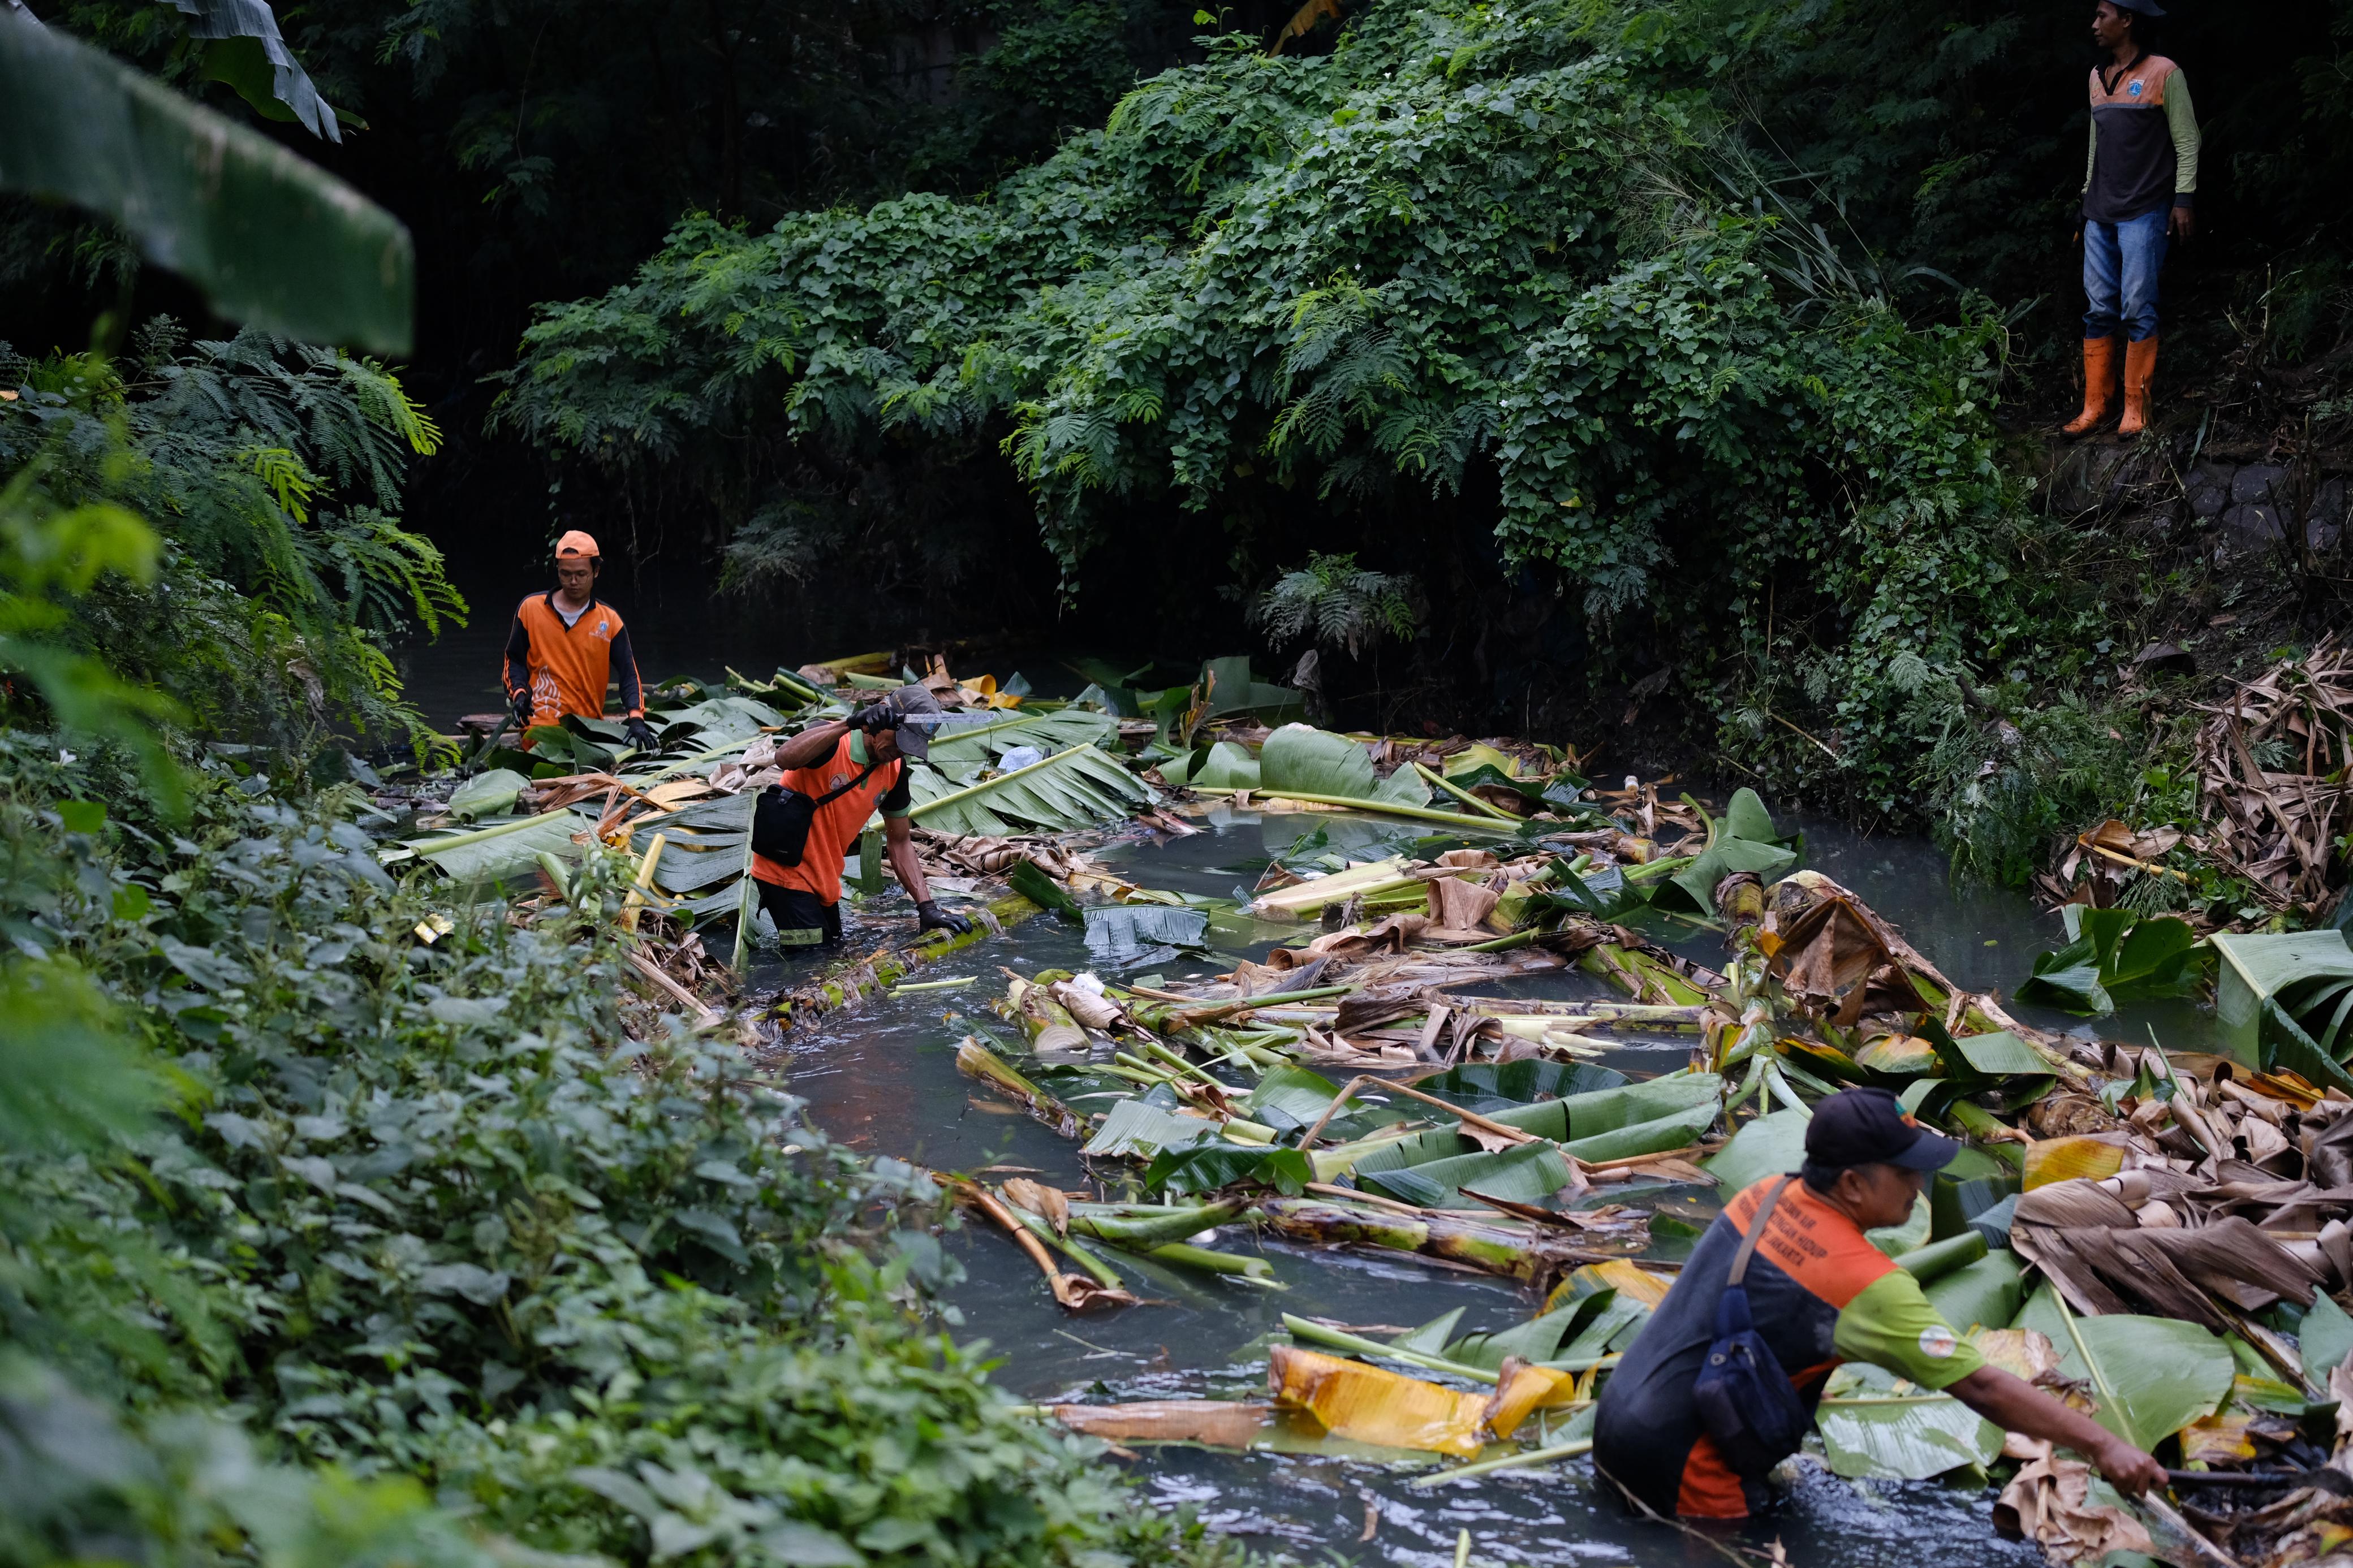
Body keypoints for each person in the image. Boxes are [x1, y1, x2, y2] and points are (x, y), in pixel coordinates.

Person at [1594, 1087, 2165, 1520]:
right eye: (1905, 1173)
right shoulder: (1864, 1285)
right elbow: (1982, 1386)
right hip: (1689, 1472)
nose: (1918, 1186)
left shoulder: (1762, 1195)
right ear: (1851, 1184)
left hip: (1618, 1421)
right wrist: (2103, 1443)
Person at [2062, 0, 2200, 439]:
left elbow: (2188, 140)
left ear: (2128, 20)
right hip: (2100, 212)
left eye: (2103, 16)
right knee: (2099, 308)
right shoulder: (2096, 79)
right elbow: (2094, 146)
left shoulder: (2164, 72)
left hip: (2145, 208)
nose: (2094, 24)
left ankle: (2135, 409)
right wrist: (2085, 202)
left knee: (2137, 308)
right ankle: (2094, 407)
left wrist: (2184, 200)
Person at [749, 685, 973, 948]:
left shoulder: (895, 770)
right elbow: (785, 758)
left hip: (826, 879)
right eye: (900, 741)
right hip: (784, 875)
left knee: (832, 950)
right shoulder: (832, 741)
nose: (901, 752)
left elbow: (900, 843)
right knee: (808, 959)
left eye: (910, 747)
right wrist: (851, 723)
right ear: (883, 717)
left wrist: (927, 907)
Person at [500, 530, 657, 753]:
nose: (573, 582)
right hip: (539, 730)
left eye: (581, 575)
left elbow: (629, 674)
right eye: (566, 574)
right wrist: (519, 696)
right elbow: (513, 661)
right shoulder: (530, 609)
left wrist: (636, 718)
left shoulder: (609, 620)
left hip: (587, 730)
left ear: (596, 572)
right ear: (558, 571)